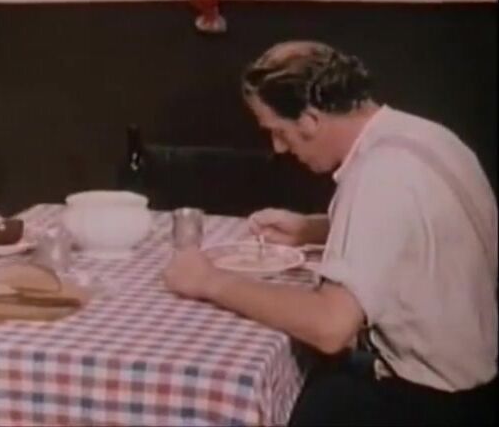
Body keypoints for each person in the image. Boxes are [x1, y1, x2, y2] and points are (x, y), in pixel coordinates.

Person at [163, 40, 497, 425]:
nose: (279, 147)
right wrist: (312, 229)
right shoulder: (424, 135)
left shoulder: (378, 174)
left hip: (431, 404)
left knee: (269, 397)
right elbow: (417, 229)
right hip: (478, 379)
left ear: (310, 119)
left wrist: (209, 281)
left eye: (278, 131)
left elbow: (330, 327)